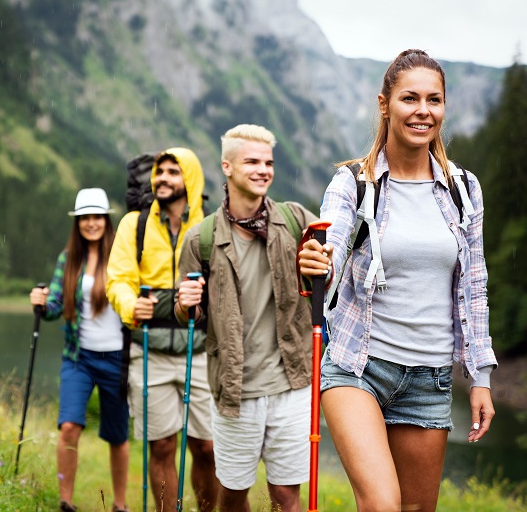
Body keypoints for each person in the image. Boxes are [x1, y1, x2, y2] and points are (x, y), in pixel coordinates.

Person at [298, 49, 498, 511]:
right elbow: (331, 243)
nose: (423, 110)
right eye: (410, 98)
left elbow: (474, 287)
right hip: (358, 366)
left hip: (430, 378)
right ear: (385, 104)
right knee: (383, 504)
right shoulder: (353, 183)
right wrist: (317, 259)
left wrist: (481, 376)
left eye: (434, 99)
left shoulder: (463, 189)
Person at [175, 124, 317, 512]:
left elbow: (329, 278)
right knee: (233, 496)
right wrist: (186, 302)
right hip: (235, 390)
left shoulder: (296, 220)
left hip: (292, 383)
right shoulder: (199, 239)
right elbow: (187, 313)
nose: (262, 170)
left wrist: (327, 265)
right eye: (251, 161)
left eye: (268, 162)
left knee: (287, 496)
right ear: (227, 166)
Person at [106, 148, 218, 511]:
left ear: (191, 179)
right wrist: (129, 305)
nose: (163, 178)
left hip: (200, 350)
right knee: (163, 445)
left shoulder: (210, 227)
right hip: (148, 351)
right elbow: (118, 280)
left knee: (206, 447)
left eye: (173, 172)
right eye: (159, 172)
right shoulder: (134, 225)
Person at [29, 188, 130, 512]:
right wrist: (42, 305)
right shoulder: (68, 258)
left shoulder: (122, 254)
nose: (91, 223)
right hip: (79, 358)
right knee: (69, 426)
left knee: (117, 436)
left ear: (106, 219)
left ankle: (119, 504)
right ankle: (66, 502)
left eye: (96, 216)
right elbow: (56, 306)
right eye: (85, 217)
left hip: (118, 358)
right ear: (78, 222)